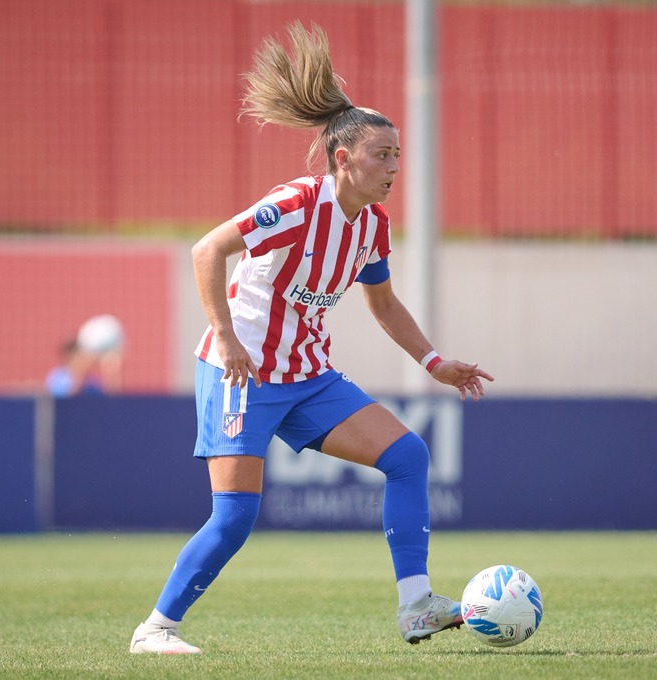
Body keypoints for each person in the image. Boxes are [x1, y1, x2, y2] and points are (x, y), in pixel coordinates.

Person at [129, 21, 493, 655]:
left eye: (397, 156)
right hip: (241, 372)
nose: (394, 168)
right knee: (235, 516)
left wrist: (434, 361)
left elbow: (383, 303)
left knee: (408, 456)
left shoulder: (373, 226)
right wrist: (225, 336)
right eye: (382, 155)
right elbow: (207, 249)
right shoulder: (295, 205)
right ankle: (156, 629)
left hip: (307, 375)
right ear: (343, 158)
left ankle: (416, 607)